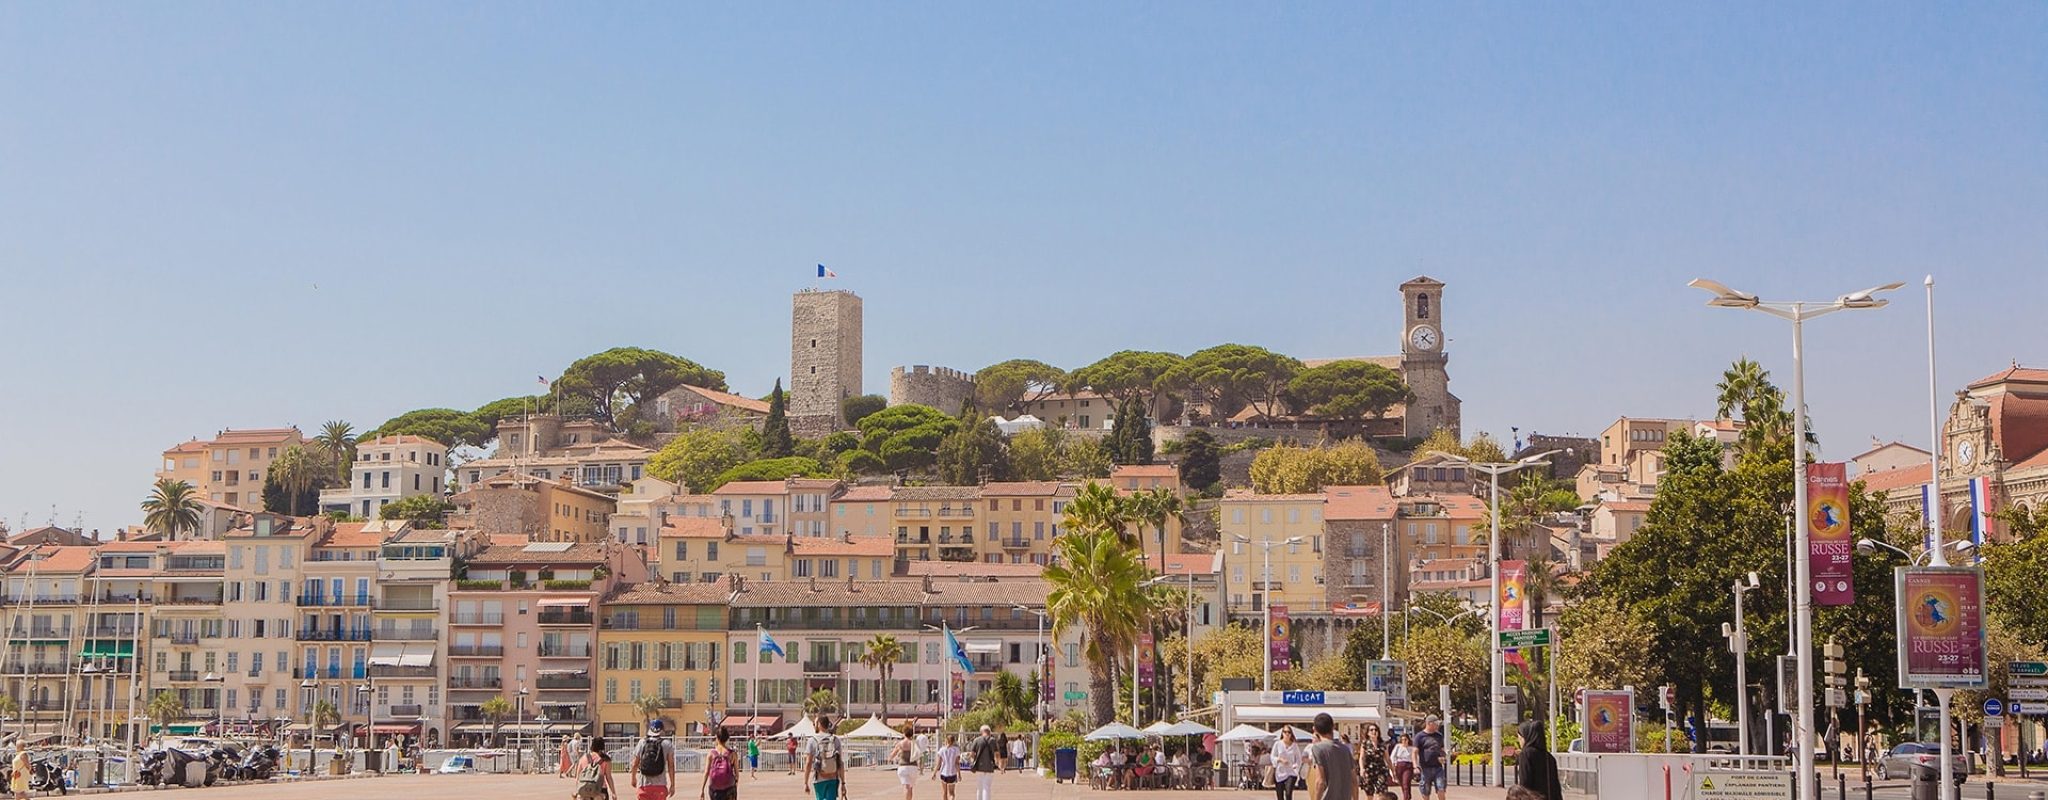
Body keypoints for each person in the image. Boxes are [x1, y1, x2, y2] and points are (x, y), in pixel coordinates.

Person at [1304, 713, 1356, 800]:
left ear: (1315, 730)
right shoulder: (1345, 749)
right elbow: (1354, 780)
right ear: (1333, 727)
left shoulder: (1318, 748)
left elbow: (1320, 781)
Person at [1513, 721, 1563, 800]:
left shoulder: (1526, 754)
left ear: (1526, 737)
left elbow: (1525, 783)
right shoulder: (1549, 757)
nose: (1519, 742)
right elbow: (1556, 787)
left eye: (1520, 738)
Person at [630, 719, 678, 800]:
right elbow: (671, 766)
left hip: (644, 786)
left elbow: (635, 763)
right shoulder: (667, 744)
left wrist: (633, 779)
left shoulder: (642, 742)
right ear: (662, 730)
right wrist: (672, 785)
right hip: (660, 787)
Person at [804, 715, 846, 800]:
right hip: (833, 778)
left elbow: (808, 763)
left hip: (819, 778)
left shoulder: (812, 740)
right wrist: (843, 783)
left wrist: (805, 782)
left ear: (819, 724)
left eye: (815, 723)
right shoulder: (835, 740)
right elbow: (840, 762)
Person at [1413, 718, 1447, 800]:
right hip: (1425, 768)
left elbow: (1442, 750)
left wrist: (1443, 757)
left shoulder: (1439, 735)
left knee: (1441, 788)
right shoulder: (1419, 736)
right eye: (1435, 724)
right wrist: (1415, 766)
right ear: (1429, 723)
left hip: (1438, 767)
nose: (1437, 726)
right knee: (1425, 791)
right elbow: (1415, 752)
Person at [702, 727, 740, 800]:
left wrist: (702, 789)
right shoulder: (732, 754)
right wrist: (735, 786)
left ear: (717, 738)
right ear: (727, 738)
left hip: (714, 788)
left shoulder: (711, 754)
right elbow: (737, 774)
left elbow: (706, 772)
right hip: (729, 787)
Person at [1356, 723, 1390, 797]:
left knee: (1381, 792)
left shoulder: (1383, 744)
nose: (1374, 731)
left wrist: (1392, 771)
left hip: (1381, 770)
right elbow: (1362, 757)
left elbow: (1387, 758)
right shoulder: (1365, 744)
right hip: (1369, 770)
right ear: (1368, 733)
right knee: (1369, 793)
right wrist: (1362, 769)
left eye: (1376, 730)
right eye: (1371, 730)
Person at [968, 725, 1001, 800]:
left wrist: (972, 762)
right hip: (990, 766)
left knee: (979, 787)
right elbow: (997, 753)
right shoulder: (993, 740)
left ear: (981, 732)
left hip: (979, 766)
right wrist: (998, 763)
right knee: (987, 787)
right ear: (989, 732)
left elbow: (972, 754)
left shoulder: (977, 740)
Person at [1271, 729, 1303, 800]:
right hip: (1279, 773)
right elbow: (1272, 756)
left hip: (1291, 772)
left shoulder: (1294, 745)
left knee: (1288, 793)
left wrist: (1296, 767)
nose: (1287, 734)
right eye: (1285, 732)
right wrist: (1280, 759)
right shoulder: (1278, 744)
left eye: (1289, 732)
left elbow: (1298, 759)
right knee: (1280, 796)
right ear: (1282, 733)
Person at [889, 726, 920, 800]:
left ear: (904, 733)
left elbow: (893, 754)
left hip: (903, 766)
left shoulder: (900, 743)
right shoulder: (914, 743)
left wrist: (890, 758)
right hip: (913, 766)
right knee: (911, 787)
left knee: (906, 787)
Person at [930, 733, 961, 800]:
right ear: (953, 741)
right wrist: (959, 774)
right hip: (952, 773)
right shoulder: (956, 750)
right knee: (952, 793)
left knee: (944, 792)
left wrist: (934, 773)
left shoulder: (942, 750)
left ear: (946, 740)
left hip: (943, 772)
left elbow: (938, 763)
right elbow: (957, 763)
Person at [1388, 733, 1416, 800]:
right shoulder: (1398, 746)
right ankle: (1407, 795)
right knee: (1402, 784)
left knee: (1405, 782)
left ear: (1408, 740)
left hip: (1408, 766)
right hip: (1399, 766)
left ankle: (1405, 798)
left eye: (1405, 739)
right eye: (1402, 740)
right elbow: (1393, 756)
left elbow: (1415, 757)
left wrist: (1416, 766)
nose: (1404, 741)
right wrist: (1393, 765)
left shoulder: (1411, 748)